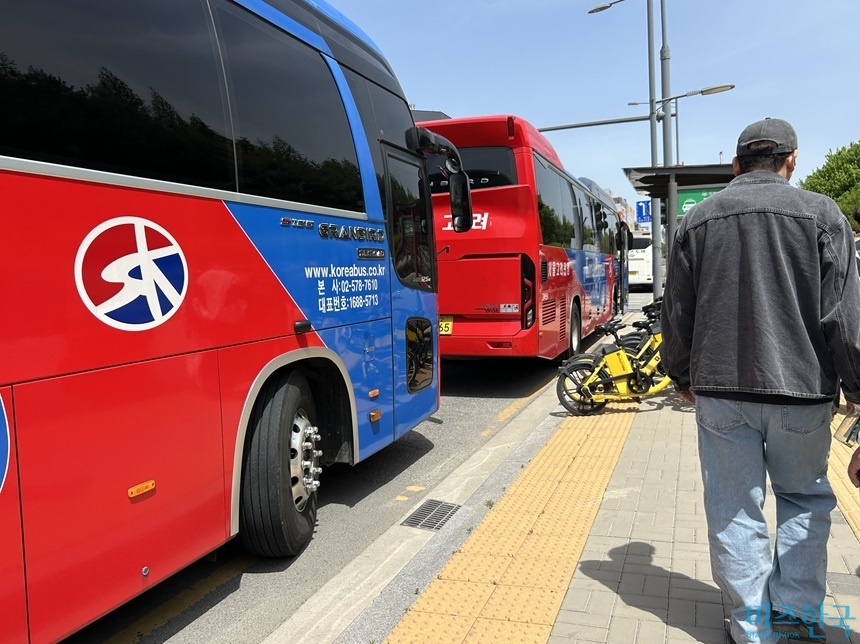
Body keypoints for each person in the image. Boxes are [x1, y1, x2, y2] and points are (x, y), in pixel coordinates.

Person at [661, 117, 860, 644]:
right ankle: (794, 619)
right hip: (804, 391)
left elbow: (677, 313)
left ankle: (752, 630)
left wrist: (682, 375)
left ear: (735, 165)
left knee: (734, 508)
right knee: (804, 499)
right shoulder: (823, 214)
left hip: (721, 391)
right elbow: (845, 319)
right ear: (791, 161)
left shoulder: (697, 220)